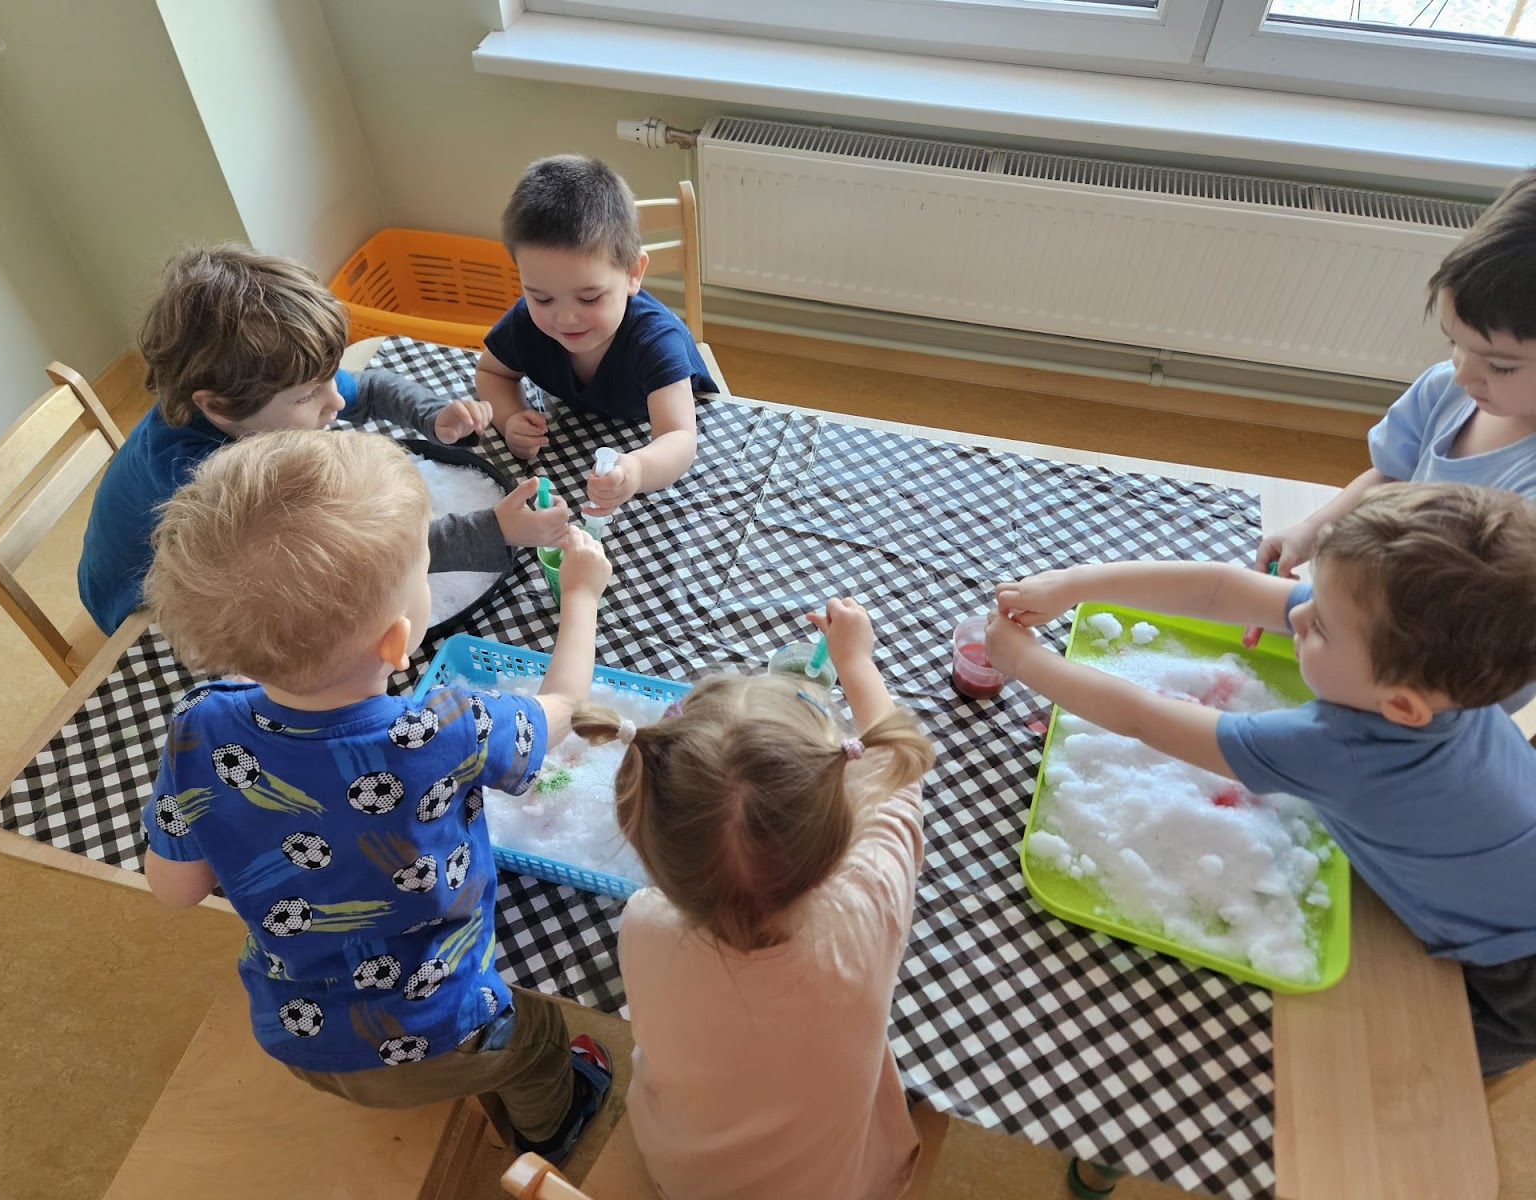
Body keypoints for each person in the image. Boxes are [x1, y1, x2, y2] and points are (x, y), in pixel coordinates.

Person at [138, 429, 613, 1160]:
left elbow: (174, 888)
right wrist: (580, 597)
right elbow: (561, 708)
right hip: (451, 1027)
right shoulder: (447, 728)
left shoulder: (198, 725)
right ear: (398, 641)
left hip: (296, 1032)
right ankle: (552, 1126)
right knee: (541, 1033)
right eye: (425, 565)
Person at [989, 482, 1536, 1077]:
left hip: (1516, 973)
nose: (1295, 614)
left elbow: (1143, 719)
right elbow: (1223, 589)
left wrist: (1025, 662)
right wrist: (1074, 585)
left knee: (1410, 1072)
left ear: (1401, 705)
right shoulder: (1425, 662)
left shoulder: (1341, 750)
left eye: (1320, 627)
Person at [569, 598, 936, 1199]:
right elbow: (902, 772)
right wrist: (856, 663)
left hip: (680, 1176)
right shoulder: (866, 908)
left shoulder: (643, 922)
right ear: (839, 828)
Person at [78, 243, 570, 635]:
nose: (335, 400)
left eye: (331, 377)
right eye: (308, 395)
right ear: (219, 405)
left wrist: (434, 416)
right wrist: (490, 531)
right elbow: (343, 562)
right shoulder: (204, 482)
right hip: (147, 608)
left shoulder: (250, 398)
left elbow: (370, 388)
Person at [1258, 166, 1536, 575]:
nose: (1461, 374)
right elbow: (1390, 479)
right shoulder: (1444, 389)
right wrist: (1312, 531)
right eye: (1455, 343)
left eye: (1498, 366)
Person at [476, 155, 716, 520]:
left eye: (589, 298)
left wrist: (637, 470)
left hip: (654, 425)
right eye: (542, 298)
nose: (565, 318)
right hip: (578, 429)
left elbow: (680, 438)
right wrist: (510, 418)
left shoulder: (656, 341)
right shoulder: (527, 322)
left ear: (633, 274)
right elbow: (491, 372)